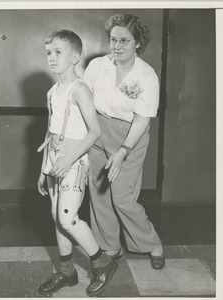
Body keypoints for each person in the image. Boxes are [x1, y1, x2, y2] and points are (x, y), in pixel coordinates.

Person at [37, 30, 118, 297]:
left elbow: (94, 131)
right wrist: (43, 169)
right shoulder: (52, 91)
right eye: (49, 52)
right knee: (56, 218)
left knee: (67, 218)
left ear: (75, 56)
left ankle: (102, 263)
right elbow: (50, 133)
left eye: (58, 52)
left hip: (73, 160)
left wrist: (70, 158)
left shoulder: (79, 89)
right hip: (54, 161)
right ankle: (67, 272)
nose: (51, 57)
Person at [84, 14, 165, 270]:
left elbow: (142, 120)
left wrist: (122, 151)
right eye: (113, 40)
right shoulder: (97, 66)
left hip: (131, 136)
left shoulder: (147, 76)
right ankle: (110, 246)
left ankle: (152, 243)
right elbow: (84, 103)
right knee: (99, 196)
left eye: (124, 41)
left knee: (123, 199)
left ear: (138, 43)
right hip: (98, 131)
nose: (117, 46)